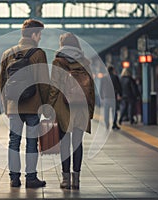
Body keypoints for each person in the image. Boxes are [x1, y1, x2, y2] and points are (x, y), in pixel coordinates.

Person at [0, 19, 50, 188]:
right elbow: (43, 82)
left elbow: (2, 82)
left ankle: (14, 178)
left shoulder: (8, 53)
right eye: (40, 34)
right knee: (31, 142)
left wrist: (7, 105)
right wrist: (46, 106)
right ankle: (31, 178)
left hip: (14, 106)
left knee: (13, 141)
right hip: (33, 105)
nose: (40, 37)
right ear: (34, 34)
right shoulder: (38, 53)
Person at [47, 33, 95, 190]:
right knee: (77, 144)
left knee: (65, 143)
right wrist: (91, 110)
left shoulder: (58, 62)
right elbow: (91, 89)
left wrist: (50, 108)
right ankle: (76, 180)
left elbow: (54, 87)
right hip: (81, 108)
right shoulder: (85, 62)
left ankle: (66, 179)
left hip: (63, 107)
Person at [100, 65, 122, 130]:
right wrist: (120, 94)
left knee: (106, 112)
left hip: (106, 97)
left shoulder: (103, 78)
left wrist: (101, 96)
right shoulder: (115, 77)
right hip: (113, 97)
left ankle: (107, 124)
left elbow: (101, 88)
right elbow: (119, 87)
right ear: (112, 70)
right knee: (114, 111)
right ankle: (114, 124)